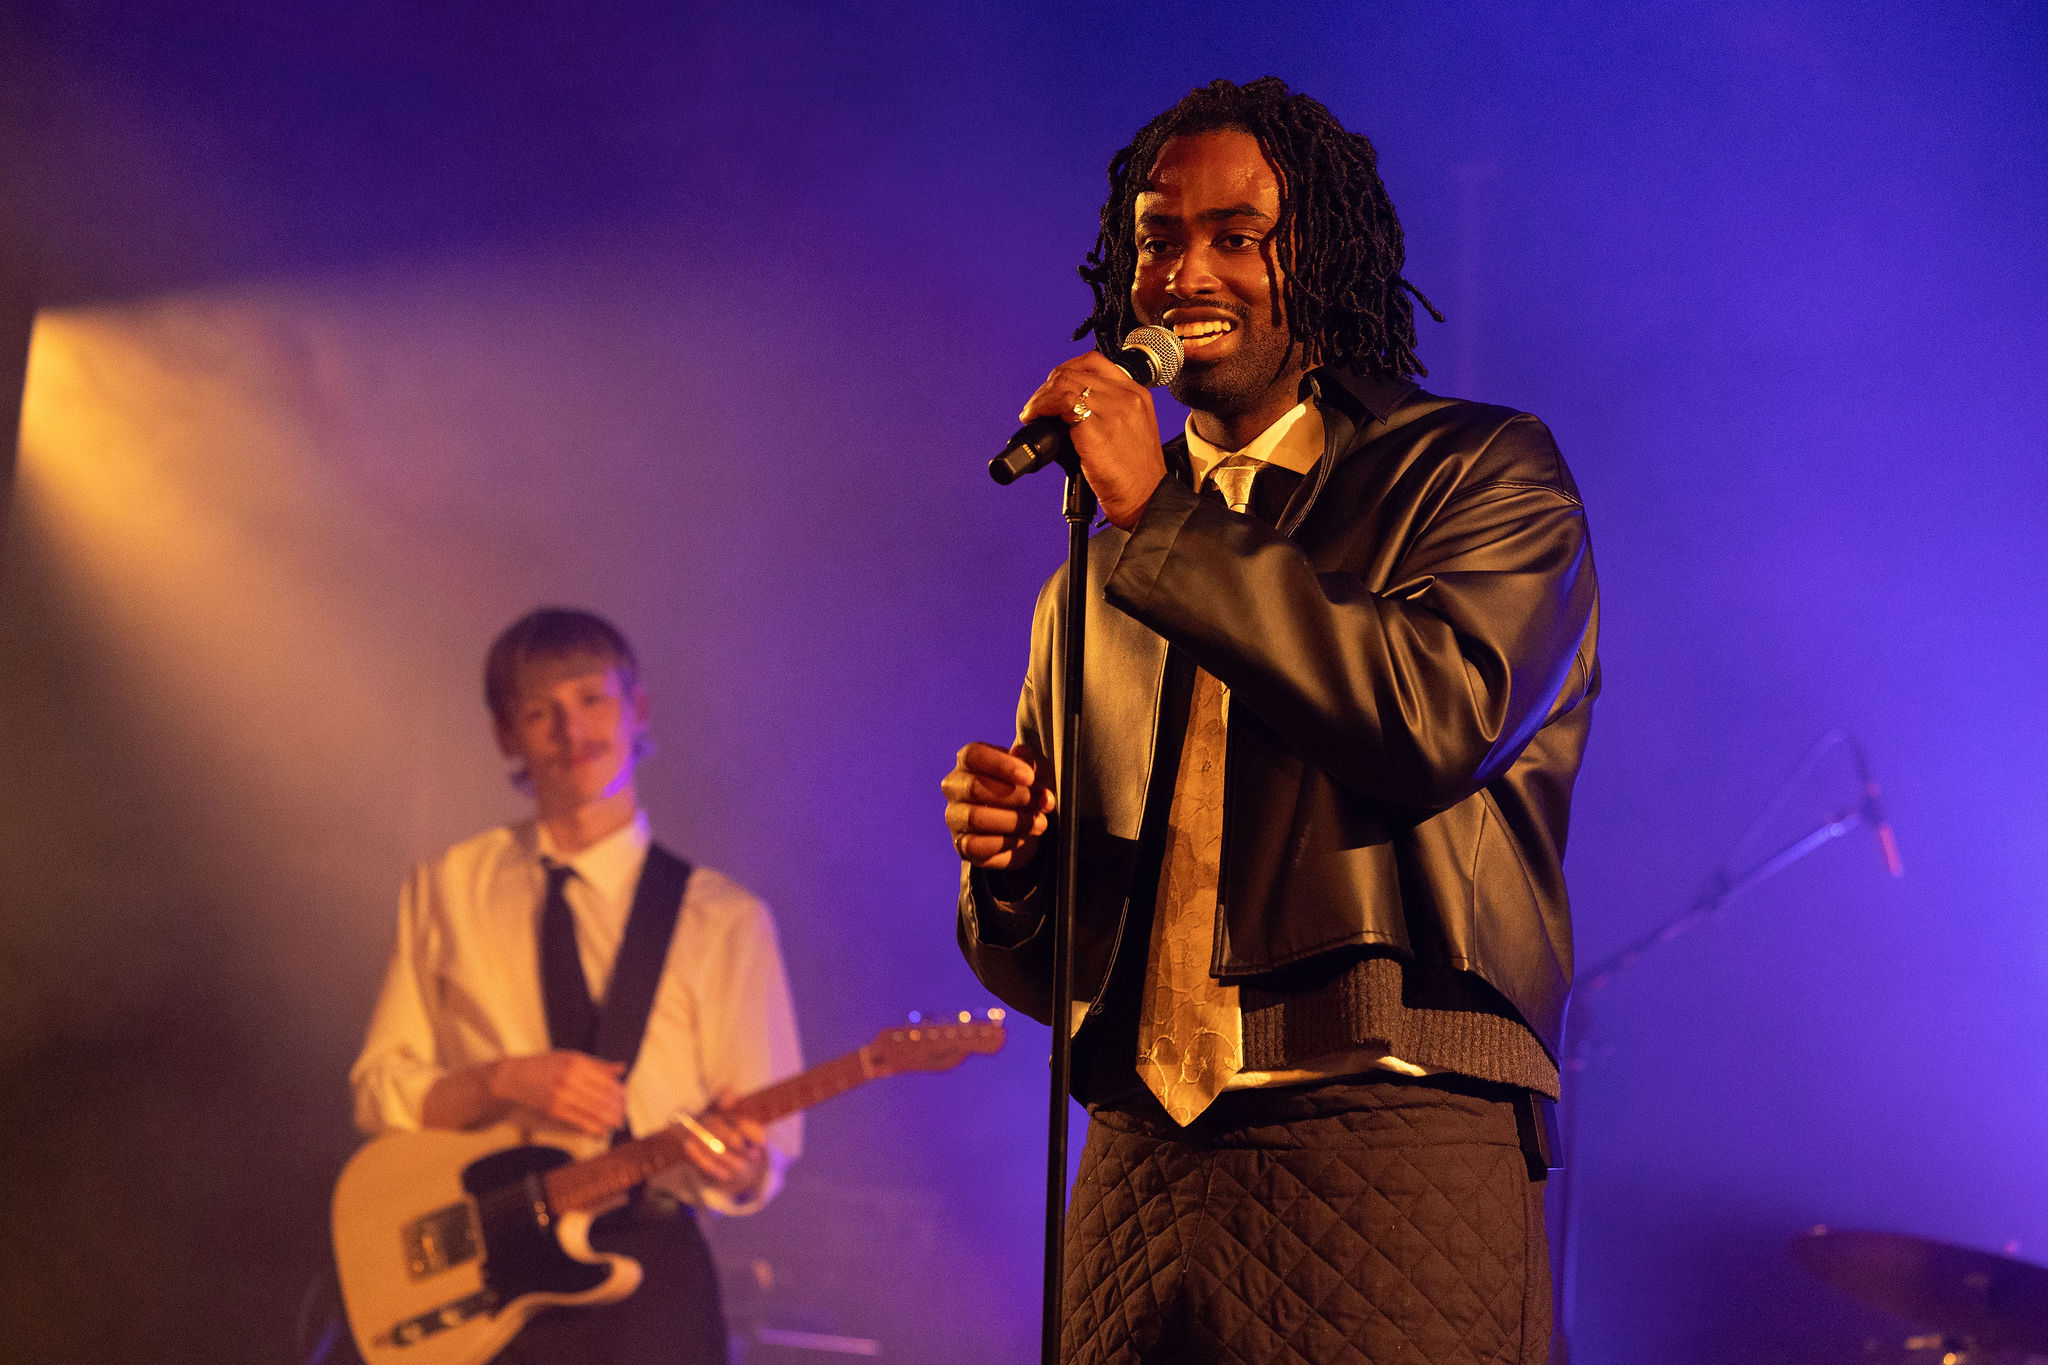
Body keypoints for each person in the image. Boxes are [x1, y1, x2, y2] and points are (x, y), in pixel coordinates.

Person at [943, 78, 1598, 1365]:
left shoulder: (1475, 473)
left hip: (1384, 1128)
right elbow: (1060, 968)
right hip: (1139, 1162)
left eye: (1237, 237)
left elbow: (1429, 720)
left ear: (1322, 259)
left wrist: (1161, 520)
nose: (1185, 272)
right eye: (1158, 239)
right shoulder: (1094, 577)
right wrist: (1014, 869)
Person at [352, 607, 802, 1364]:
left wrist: (740, 1163)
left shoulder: (725, 919)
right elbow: (381, 1092)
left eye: (592, 698)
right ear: (507, 737)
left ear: (638, 709)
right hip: (482, 1267)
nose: (572, 730)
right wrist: (505, 1080)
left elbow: (759, 1153)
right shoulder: (446, 888)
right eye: (540, 711)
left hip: (648, 1275)